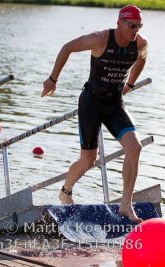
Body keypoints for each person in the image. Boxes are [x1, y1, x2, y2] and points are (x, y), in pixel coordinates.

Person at [41, 5, 148, 223]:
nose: (135, 30)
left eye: (139, 26)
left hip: (115, 103)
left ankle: (126, 205)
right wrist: (53, 79)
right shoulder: (99, 39)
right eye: (131, 25)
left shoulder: (140, 43)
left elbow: (143, 58)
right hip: (91, 101)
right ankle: (66, 190)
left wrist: (130, 84)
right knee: (88, 160)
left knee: (135, 147)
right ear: (120, 22)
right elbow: (67, 47)